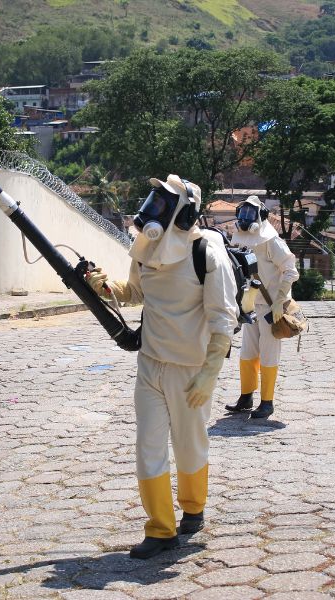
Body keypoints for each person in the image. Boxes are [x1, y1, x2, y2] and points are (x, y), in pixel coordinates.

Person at [86, 174, 238, 559]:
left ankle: (193, 507)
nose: (151, 208)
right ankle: (160, 529)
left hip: (191, 369)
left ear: (184, 214)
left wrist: (209, 374)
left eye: (162, 202)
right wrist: (105, 286)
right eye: (153, 199)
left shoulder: (208, 255)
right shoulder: (146, 249)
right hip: (150, 363)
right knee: (148, 445)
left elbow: (223, 320)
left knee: (189, 446)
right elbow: (136, 292)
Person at [225, 195, 298, 419]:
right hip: (250, 306)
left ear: (261, 216)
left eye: (250, 213)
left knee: (268, 354)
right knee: (247, 354)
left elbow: (291, 270)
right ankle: (246, 396)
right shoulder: (241, 239)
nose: (245, 218)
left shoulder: (272, 241)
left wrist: (279, 301)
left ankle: (267, 402)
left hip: (270, 307)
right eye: (242, 213)